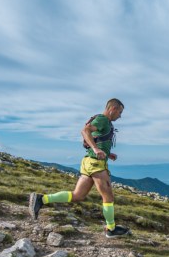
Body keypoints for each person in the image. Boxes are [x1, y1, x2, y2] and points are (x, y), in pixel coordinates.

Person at [28, 99, 131, 238]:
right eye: (120, 112)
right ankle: (111, 229)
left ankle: (42, 199)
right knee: (108, 197)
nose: (120, 116)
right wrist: (95, 149)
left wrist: (107, 153)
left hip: (88, 162)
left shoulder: (104, 122)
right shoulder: (102, 120)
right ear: (112, 108)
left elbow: (96, 137)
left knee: (78, 195)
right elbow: (85, 131)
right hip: (95, 164)